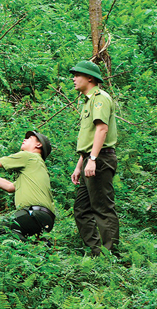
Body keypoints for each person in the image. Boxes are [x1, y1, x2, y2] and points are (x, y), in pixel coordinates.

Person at [69, 60, 119, 255]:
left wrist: (93, 159)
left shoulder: (100, 98)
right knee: (81, 209)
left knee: (103, 209)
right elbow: (90, 138)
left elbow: (102, 129)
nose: (73, 79)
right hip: (91, 158)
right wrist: (80, 164)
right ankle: (98, 252)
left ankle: (110, 255)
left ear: (90, 78)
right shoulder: (89, 101)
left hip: (100, 159)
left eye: (77, 75)